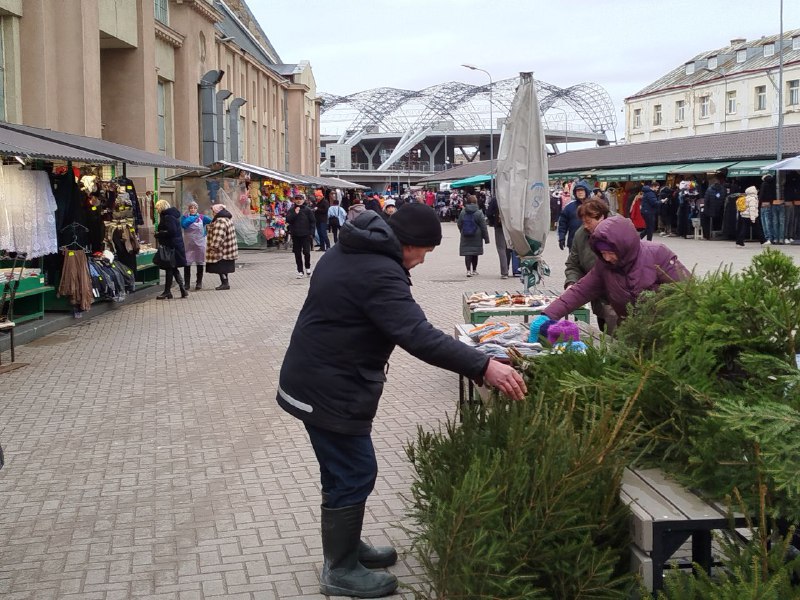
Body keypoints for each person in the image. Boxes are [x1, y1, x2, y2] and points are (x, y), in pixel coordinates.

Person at [276, 203, 527, 598]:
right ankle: (339, 568)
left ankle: (345, 546)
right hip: (329, 388)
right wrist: (483, 366)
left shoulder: (351, 249)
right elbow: (418, 335)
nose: (423, 261)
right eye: (425, 252)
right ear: (408, 244)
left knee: (340, 470)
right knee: (356, 470)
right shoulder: (378, 272)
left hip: (318, 379)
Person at [540, 215, 690, 324]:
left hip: (667, 332)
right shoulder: (604, 267)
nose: (607, 258)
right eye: (602, 253)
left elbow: (688, 290)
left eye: (611, 253)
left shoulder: (658, 254)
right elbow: (581, 291)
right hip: (630, 334)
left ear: (624, 246)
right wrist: (549, 314)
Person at [564, 199, 618, 333]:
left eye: (589, 222)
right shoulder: (580, 234)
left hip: (621, 302)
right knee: (606, 337)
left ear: (602, 217)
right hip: (600, 301)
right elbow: (573, 264)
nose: (586, 226)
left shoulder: (618, 229)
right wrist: (571, 282)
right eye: (583, 222)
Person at [154, 199, 188, 300]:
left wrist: (159, 234)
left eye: (157, 208)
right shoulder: (171, 215)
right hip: (175, 246)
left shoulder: (168, 217)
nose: (157, 210)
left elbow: (171, 231)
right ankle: (182, 290)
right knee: (172, 268)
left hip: (171, 246)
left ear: (161, 207)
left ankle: (167, 292)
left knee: (170, 268)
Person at [205, 204, 238, 290]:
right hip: (228, 249)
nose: (212, 213)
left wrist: (213, 247)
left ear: (216, 212)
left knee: (221, 267)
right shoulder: (227, 219)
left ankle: (225, 283)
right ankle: (225, 283)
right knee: (224, 267)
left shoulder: (220, 221)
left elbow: (218, 236)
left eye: (213, 211)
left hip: (222, 250)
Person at [181, 201, 212, 290]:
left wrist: (206, 231)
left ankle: (199, 283)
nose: (193, 209)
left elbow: (211, 222)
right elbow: (184, 225)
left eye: (194, 208)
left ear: (197, 209)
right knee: (187, 263)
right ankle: (187, 284)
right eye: (191, 208)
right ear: (189, 209)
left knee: (200, 262)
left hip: (199, 243)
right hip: (188, 244)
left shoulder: (202, 217)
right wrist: (192, 219)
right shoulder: (185, 217)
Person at [457, 194, 490, 277]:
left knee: (467, 253)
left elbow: (459, 223)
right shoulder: (479, 212)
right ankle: (474, 270)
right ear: (476, 202)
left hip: (465, 234)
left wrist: (462, 230)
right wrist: (486, 238)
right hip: (477, 235)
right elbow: (483, 226)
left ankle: (468, 270)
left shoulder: (463, 212)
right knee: (475, 253)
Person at [287, 193, 316, 278]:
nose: (298, 200)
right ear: (294, 200)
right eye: (297, 199)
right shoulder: (292, 210)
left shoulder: (307, 210)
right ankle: (300, 271)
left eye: (300, 199)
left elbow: (313, 221)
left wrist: (312, 232)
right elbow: (288, 219)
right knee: (297, 253)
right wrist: (295, 213)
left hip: (306, 234)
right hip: (295, 234)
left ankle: (308, 267)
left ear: (303, 200)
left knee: (306, 252)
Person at [557, 179, 590, 250]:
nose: (580, 192)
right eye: (578, 191)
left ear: (586, 191)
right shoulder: (569, 207)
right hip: (574, 243)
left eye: (582, 190)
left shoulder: (593, 206)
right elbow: (563, 223)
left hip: (590, 243)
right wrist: (561, 238)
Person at [486, 194, 512, 279]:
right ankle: (507, 267)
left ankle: (504, 272)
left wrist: (492, 222)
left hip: (499, 226)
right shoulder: (511, 197)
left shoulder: (496, 199)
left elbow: (489, 212)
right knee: (508, 247)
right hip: (510, 226)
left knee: (501, 248)